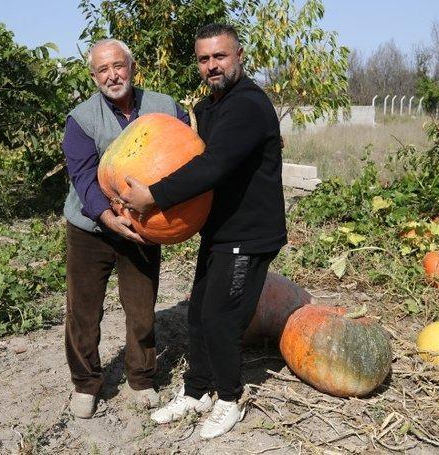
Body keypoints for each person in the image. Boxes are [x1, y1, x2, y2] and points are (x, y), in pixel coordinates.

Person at [120, 23, 287, 439]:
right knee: (198, 313)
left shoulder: (246, 104)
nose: (212, 65)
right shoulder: (213, 105)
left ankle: (230, 399)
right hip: (221, 231)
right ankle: (196, 392)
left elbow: (212, 166)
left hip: (248, 235)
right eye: (204, 59)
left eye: (220, 56)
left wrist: (154, 196)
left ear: (240, 55)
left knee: (221, 319)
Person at [62, 38, 190, 419]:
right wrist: (106, 215)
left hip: (143, 228)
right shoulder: (81, 119)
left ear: (132, 67)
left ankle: (141, 378)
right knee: (83, 310)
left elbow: (188, 157)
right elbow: (83, 177)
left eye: (118, 66)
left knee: (141, 307)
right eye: (103, 69)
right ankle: (86, 384)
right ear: (93, 76)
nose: (112, 75)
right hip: (91, 228)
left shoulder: (165, 108)